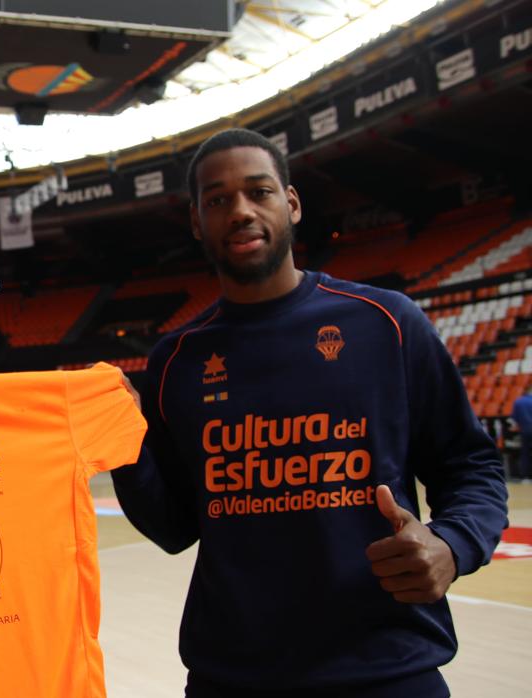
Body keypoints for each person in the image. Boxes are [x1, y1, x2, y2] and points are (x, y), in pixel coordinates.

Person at [110, 128, 508, 697]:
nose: (240, 211)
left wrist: (452, 544)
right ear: (197, 222)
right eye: (217, 200)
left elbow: (470, 464)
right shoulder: (176, 360)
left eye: (258, 192)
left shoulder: (386, 323)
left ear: (291, 203)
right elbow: (175, 529)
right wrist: (126, 448)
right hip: (232, 677)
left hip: (386, 670)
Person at [511, 388, 532, 481]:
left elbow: (514, 418)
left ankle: (525, 477)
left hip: (524, 430)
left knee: (525, 453)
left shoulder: (518, 402)